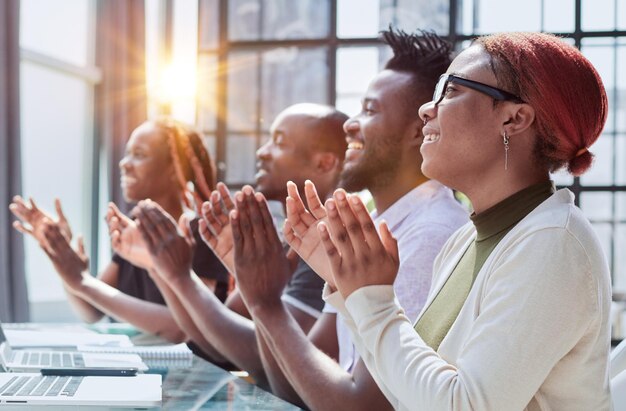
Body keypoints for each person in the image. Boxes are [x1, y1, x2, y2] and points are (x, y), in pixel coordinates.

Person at [317, 32, 611, 410]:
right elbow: (407, 392)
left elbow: (466, 405)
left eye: (451, 90)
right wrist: (349, 289)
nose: (427, 109)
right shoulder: (465, 241)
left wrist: (372, 302)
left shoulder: (552, 242)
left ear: (514, 118)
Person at [212, 29, 468, 409]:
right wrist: (257, 293)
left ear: (419, 129)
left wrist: (265, 304)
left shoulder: (428, 236)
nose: (350, 124)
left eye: (370, 109)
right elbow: (293, 385)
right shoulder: (374, 230)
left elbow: (360, 406)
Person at [117, 103, 348, 385]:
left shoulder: (331, 244)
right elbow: (212, 341)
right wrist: (170, 273)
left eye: (278, 143)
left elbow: (278, 367)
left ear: (324, 163)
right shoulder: (294, 244)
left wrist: (179, 277)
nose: (261, 152)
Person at [10, 119, 229, 342]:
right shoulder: (136, 233)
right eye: (127, 153)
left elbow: (189, 328)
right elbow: (90, 310)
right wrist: (62, 257)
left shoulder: (202, 233)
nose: (124, 163)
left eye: (139, 154)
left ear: (175, 169)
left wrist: (82, 281)